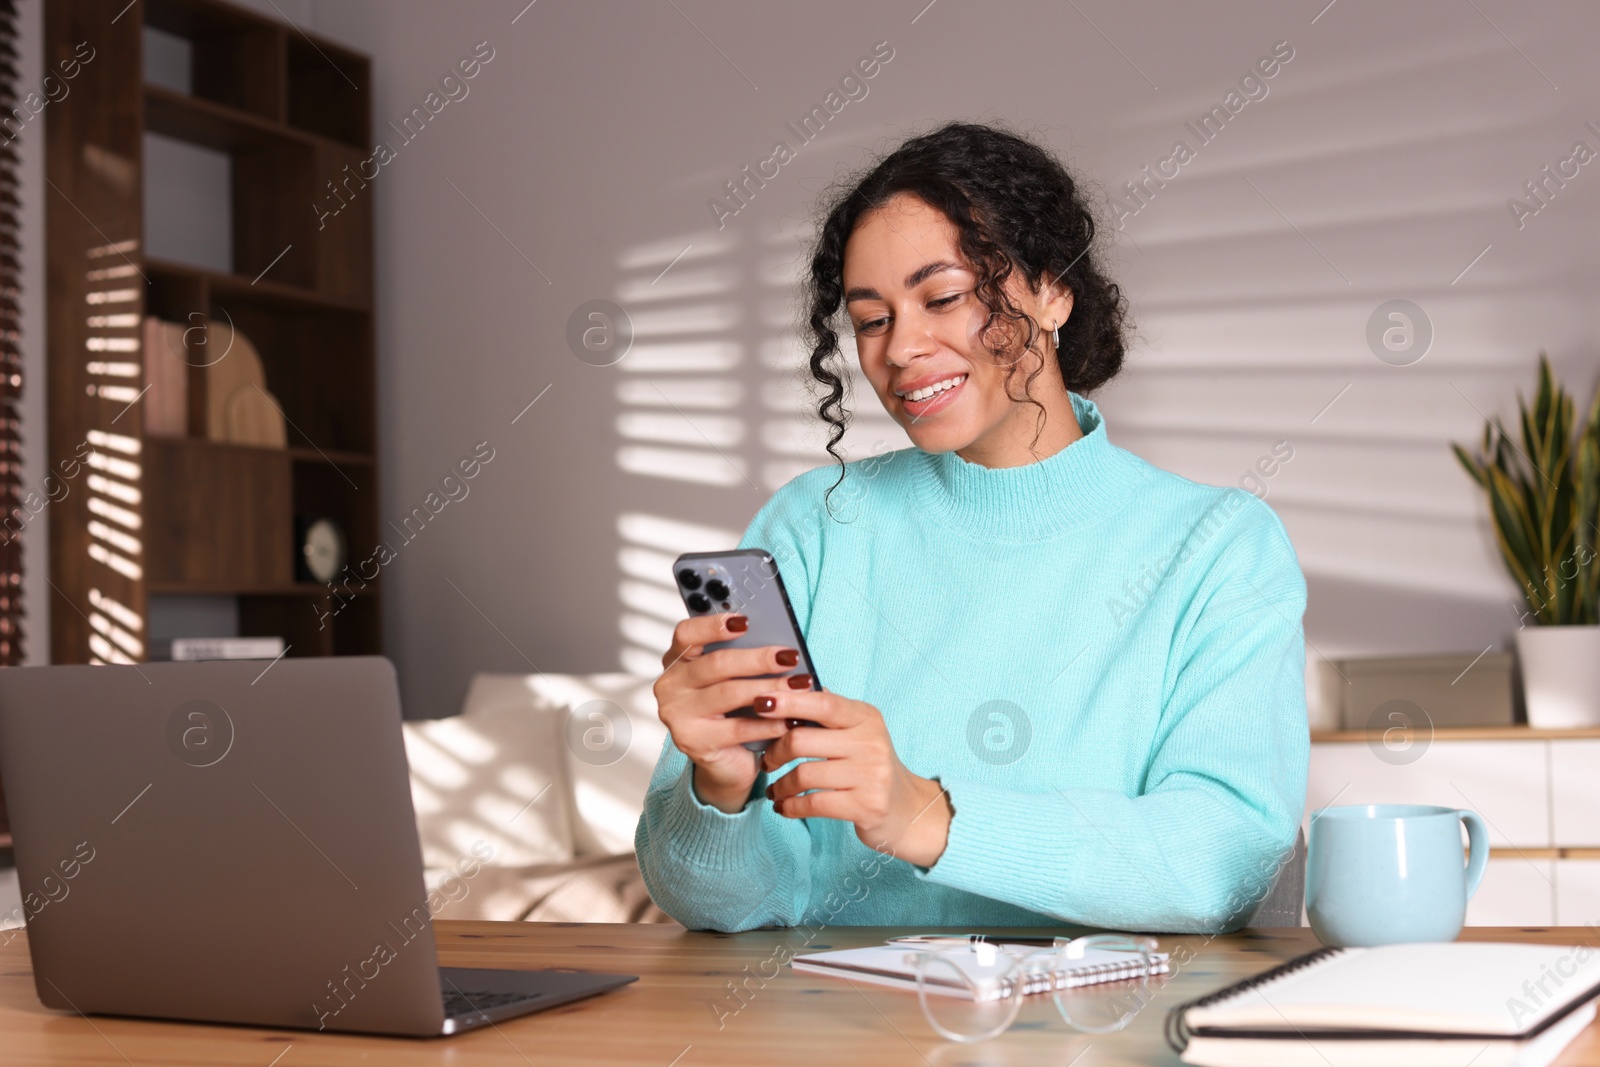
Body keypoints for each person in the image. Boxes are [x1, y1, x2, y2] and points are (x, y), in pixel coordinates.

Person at [635, 121, 1308, 934]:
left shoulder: (1219, 546)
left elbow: (1222, 862)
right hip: (828, 1033)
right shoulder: (811, 526)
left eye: (943, 297)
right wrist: (718, 792)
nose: (903, 348)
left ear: (1053, 290)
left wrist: (927, 815)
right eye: (872, 319)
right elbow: (720, 904)